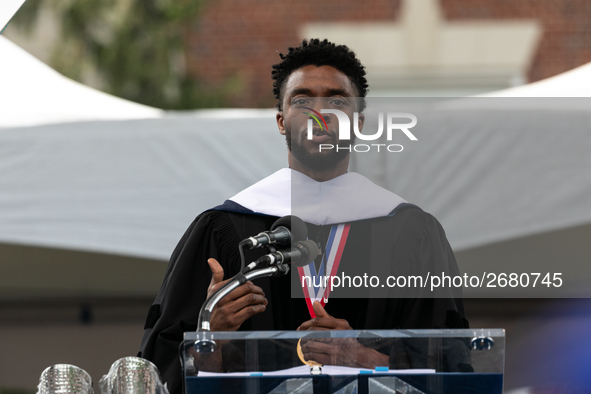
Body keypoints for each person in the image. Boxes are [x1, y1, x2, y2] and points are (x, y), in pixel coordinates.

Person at [138, 38, 471, 393]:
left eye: (337, 100)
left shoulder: (411, 232)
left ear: (358, 123)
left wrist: (370, 360)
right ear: (281, 121)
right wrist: (209, 338)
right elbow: (157, 371)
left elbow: (451, 364)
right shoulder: (224, 228)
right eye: (302, 100)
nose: (319, 111)